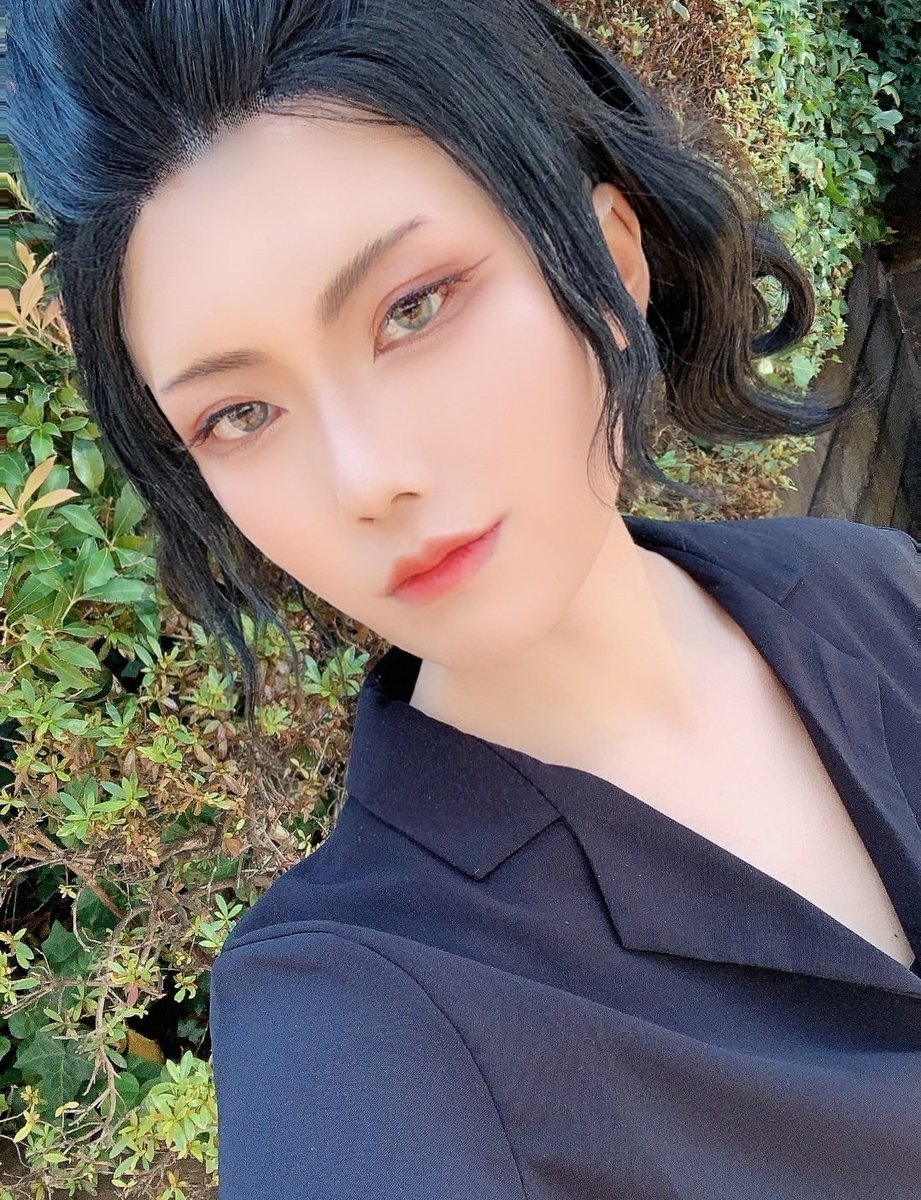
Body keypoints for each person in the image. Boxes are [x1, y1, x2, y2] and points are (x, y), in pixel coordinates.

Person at [8, 1, 921, 1197]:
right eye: (240, 414)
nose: (365, 478)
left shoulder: (869, 587)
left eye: (415, 307)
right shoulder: (358, 1026)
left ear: (609, 259)